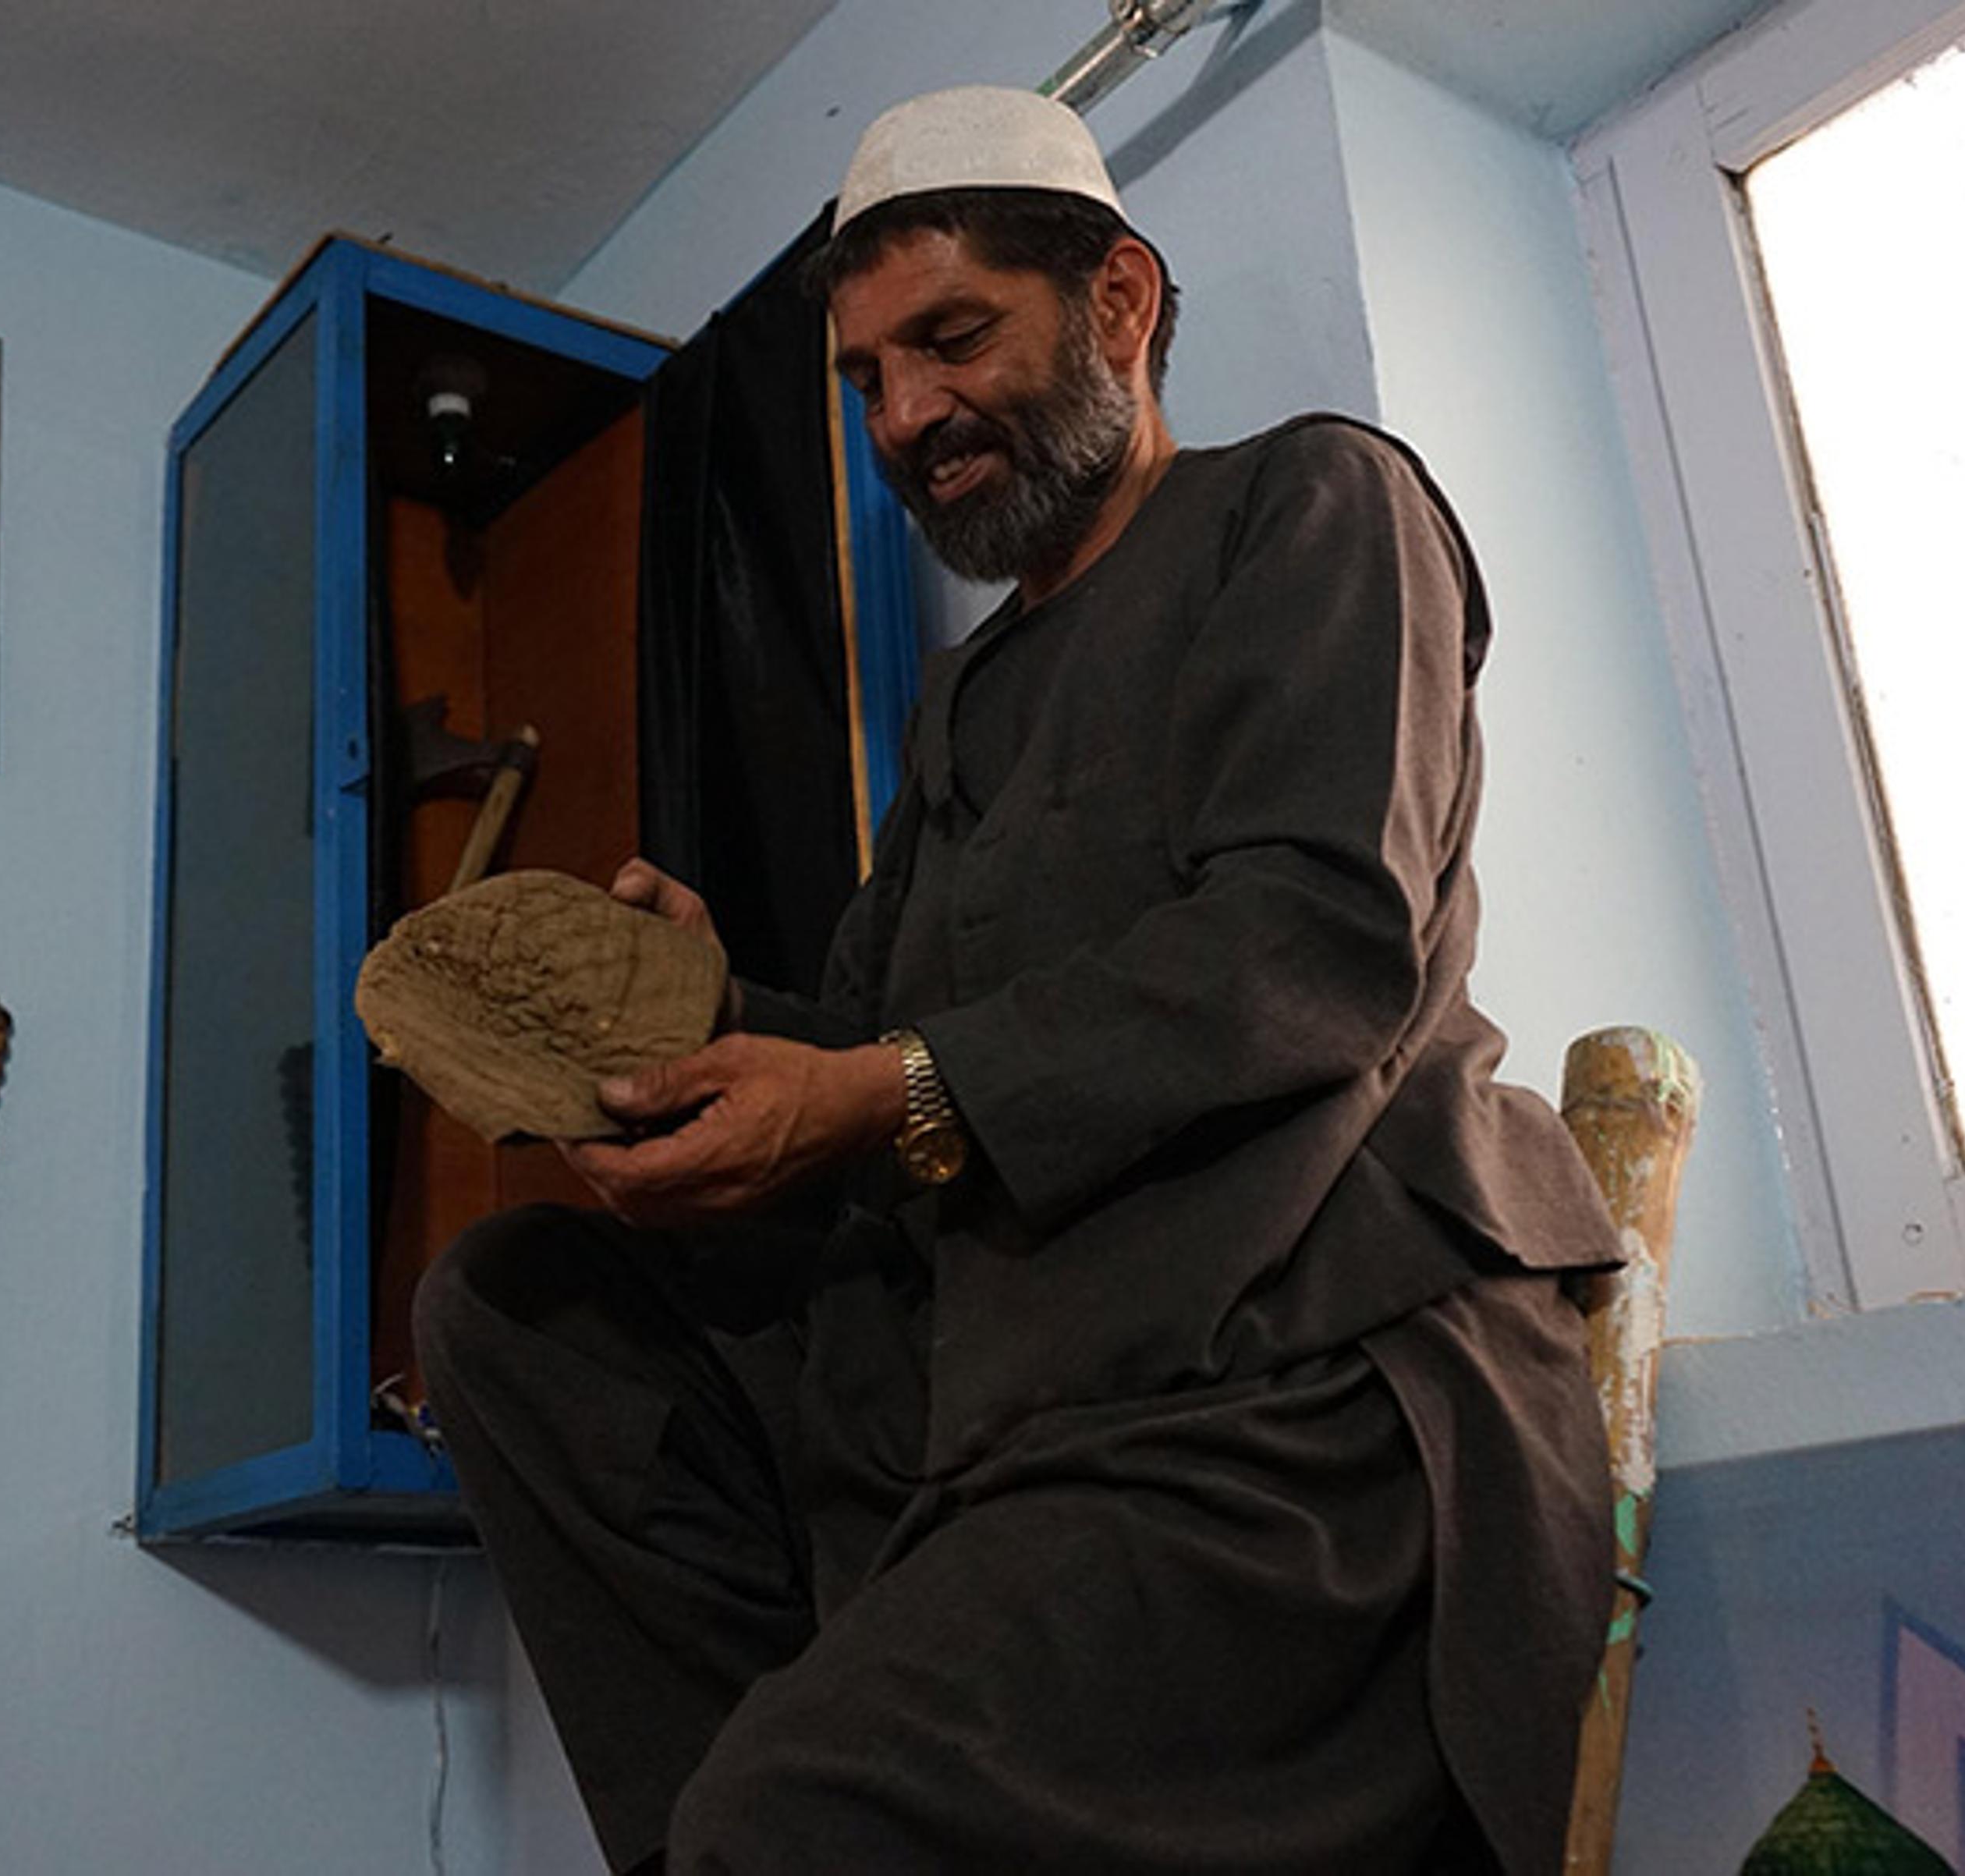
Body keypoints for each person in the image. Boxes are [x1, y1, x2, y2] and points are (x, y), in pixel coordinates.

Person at [413, 85, 1622, 1875]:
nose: (904, 416)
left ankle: (793, 1813)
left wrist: (885, 1089)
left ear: (1119, 303)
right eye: (866, 380)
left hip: (1291, 1400)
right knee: (517, 1310)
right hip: (1013, 1414)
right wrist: (720, 1013)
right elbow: (892, 1043)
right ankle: (766, 1812)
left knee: (797, 1821)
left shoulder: (1312, 505)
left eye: (951, 339)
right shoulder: (969, 702)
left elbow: (1313, 944)